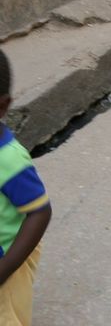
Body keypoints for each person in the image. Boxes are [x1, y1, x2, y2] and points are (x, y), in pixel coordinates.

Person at [0, 49, 52, 326]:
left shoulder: (8, 160)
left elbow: (40, 213)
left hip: (7, 258)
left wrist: (4, 270)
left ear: (1, 106)